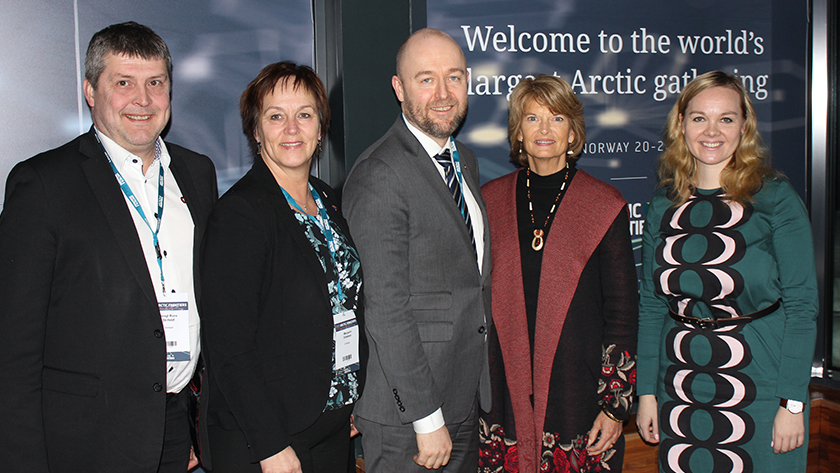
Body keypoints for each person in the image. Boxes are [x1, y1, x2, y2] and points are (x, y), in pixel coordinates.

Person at [0, 21, 218, 473]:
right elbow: (13, 352)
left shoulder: (197, 174)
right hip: (85, 442)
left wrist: (196, 424)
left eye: (155, 83)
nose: (143, 99)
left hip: (175, 429)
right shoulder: (43, 184)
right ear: (90, 91)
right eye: (124, 83)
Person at [635, 71, 818, 472]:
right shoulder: (664, 204)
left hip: (761, 380)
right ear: (681, 125)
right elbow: (651, 305)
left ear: (744, 126)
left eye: (726, 118)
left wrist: (792, 400)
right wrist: (646, 392)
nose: (712, 131)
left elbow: (802, 307)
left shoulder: (774, 196)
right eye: (699, 118)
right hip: (680, 381)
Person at [199, 61, 365, 473]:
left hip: (329, 426)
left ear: (321, 128)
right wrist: (270, 445)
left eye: (304, 115)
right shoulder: (240, 213)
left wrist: (354, 397)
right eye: (276, 116)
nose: (292, 128)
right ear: (256, 132)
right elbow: (229, 345)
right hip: (271, 439)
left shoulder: (327, 200)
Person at [342, 28, 491, 472]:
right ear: (398, 87)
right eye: (426, 79)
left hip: (461, 398)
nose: (444, 94)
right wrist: (427, 418)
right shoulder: (380, 174)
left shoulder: (462, 159)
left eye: (454, 77)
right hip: (408, 415)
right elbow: (385, 308)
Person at [477, 75, 638, 473]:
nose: (544, 129)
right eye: (532, 119)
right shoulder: (488, 201)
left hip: (577, 395)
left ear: (573, 133)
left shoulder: (604, 204)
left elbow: (622, 311)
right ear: (518, 133)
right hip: (501, 395)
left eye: (557, 118)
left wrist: (614, 407)